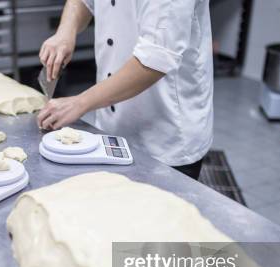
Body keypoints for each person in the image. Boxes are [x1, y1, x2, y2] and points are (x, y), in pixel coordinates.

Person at [37, 0, 213, 180]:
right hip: (111, 122)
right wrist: (66, 31)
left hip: (164, 132)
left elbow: (156, 58)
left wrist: (79, 102)